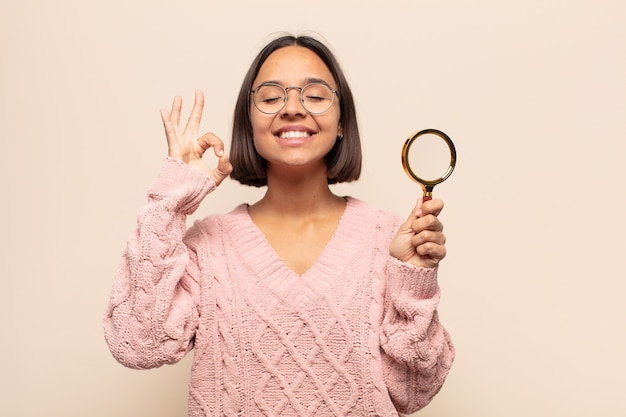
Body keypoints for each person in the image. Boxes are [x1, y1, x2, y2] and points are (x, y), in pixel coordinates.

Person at [104, 34, 454, 417]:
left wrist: (413, 280)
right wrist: (171, 200)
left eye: (315, 96)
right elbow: (137, 343)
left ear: (341, 123)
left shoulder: (388, 237)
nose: (292, 109)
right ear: (249, 124)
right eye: (271, 98)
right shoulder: (206, 246)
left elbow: (413, 391)